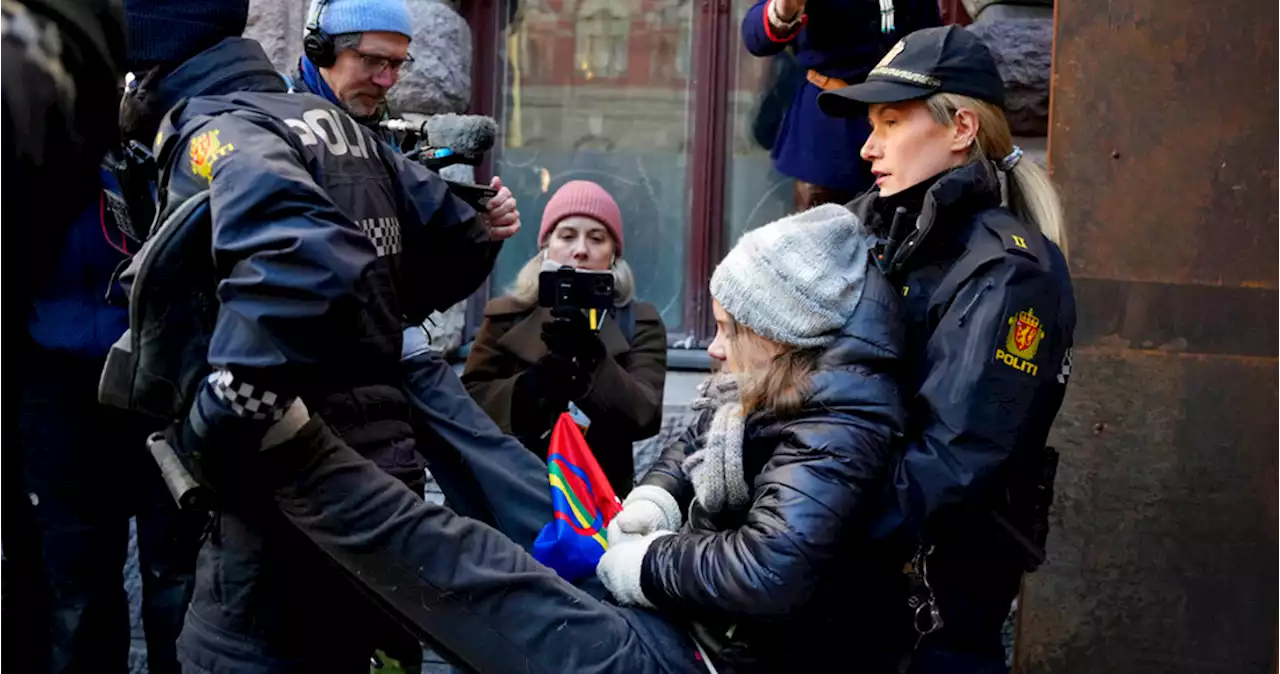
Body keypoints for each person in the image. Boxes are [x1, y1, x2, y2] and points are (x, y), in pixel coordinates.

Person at [223, 203, 907, 674]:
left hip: (701, 650)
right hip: (673, 597)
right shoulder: (770, 380)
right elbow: (688, 438)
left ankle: (298, 453)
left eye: (730, 329)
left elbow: (768, 572)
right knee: (503, 482)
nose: (718, 349)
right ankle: (406, 355)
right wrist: (655, 502)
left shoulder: (842, 420)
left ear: (781, 333)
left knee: (481, 571)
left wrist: (643, 560)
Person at [111, 1, 531, 671]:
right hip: (382, 469)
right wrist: (372, 322)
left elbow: (303, 264)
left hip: (286, 484)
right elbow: (458, 236)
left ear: (151, 66)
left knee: (231, 654)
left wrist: (220, 419)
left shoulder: (220, 132)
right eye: (374, 61)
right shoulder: (341, 127)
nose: (385, 79)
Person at [817, 24, 1077, 673]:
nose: (869, 147)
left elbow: (951, 466)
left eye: (890, 121)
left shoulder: (1011, 273)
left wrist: (802, 531)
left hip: (925, 622)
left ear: (960, 128)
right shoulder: (874, 230)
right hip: (845, 601)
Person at [17, 167, 205, 674]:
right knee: (77, 584)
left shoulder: (143, 144)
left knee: (175, 573)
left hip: (158, 379)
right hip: (56, 389)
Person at [1, 1, 126, 671]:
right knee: (72, 583)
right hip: (55, 377)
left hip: (143, 378)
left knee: (161, 578)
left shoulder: (164, 116)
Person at [463, 181, 667, 494]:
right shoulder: (505, 315)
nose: (581, 250)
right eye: (567, 236)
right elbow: (470, 405)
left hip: (598, 500)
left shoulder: (640, 322)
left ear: (613, 254)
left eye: (597, 238)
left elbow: (645, 417)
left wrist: (593, 361)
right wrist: (531, 388)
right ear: (546, 247)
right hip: (513, 492)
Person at [741, 0, 941, 211]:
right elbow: (755, 35)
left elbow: (931, 38)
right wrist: (783, 12)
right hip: (830, 130)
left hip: (901, 120)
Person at [288, 0, 414, 149]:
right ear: (320, 53)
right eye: (373, 61)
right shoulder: (270, 121)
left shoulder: (397, 134)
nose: (386, 81)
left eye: (397, 64)